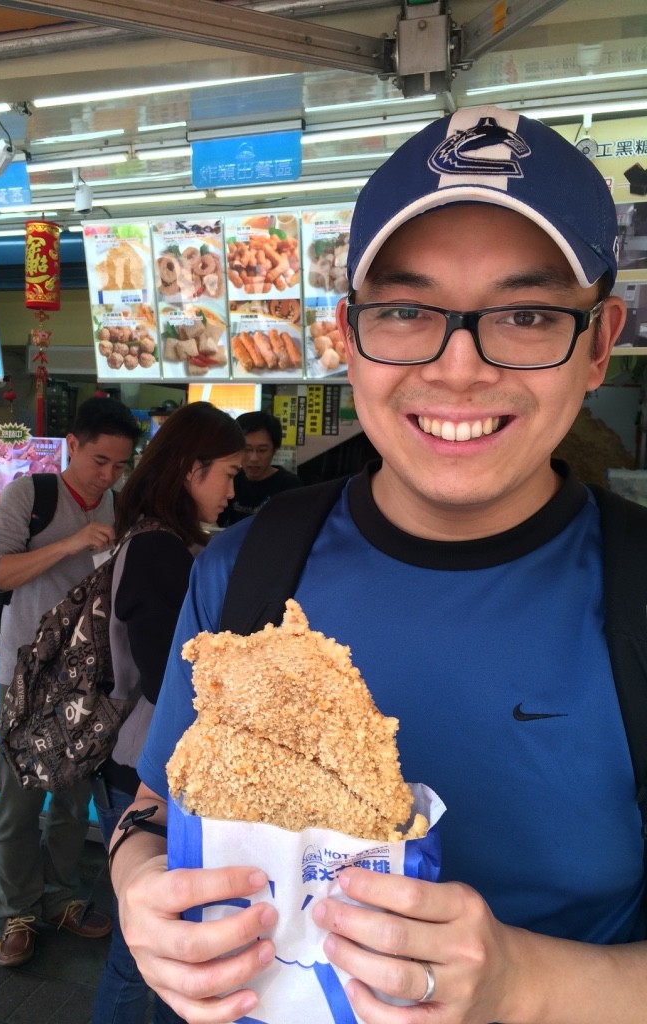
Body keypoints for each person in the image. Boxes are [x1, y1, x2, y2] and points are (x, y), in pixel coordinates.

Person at [108, 104, 647, 1024]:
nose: (460, 367)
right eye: (406, 310)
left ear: (599, 344)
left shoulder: (633, 591)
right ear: (348, 337)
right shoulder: (248, 570)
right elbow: (156, 803)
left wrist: (521, 982)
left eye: (525, 314)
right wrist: (136, 885)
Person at [91, 400, 244, 1024]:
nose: (233, 491)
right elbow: (169, 674)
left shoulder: (169, 540)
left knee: (163, 938)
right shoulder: (160, 549)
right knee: (146, 943)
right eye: (227, 474)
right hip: (146, 767)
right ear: (191, 469)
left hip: (154, 760)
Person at [0, 396, 139, 969]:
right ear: (71, 445)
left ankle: (62, 896)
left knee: (72, 798)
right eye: (100, 461)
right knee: (18, 800)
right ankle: (18, 910)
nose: (109, 476)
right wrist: (71, 543)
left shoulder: (123, 505)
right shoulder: (32, 496)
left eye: (120, 465)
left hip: (90, 680)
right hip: (24, 673)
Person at [219, 410, 302, 526]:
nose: (253, 458)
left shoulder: (289, 485)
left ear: (274, 450)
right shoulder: (231, 479)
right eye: (247, 449)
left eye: (262, 450)